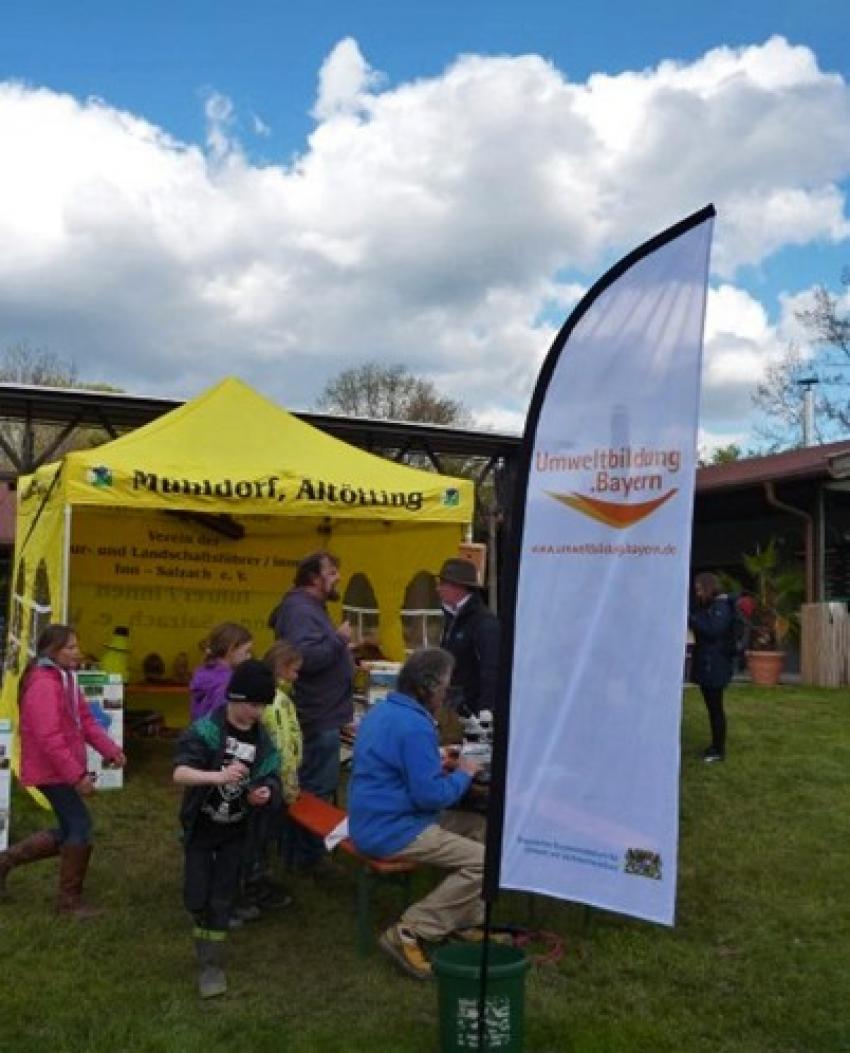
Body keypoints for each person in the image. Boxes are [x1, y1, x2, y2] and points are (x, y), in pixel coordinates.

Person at [348, 647, 485, 980]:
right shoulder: (416, 726)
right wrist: (464, 773)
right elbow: (429, 797)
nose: (447, 694)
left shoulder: (383, 711)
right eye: (445, 686)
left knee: (480, 827)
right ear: (428, 687)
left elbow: (402, 771)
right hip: (393, 829)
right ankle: (410, 930)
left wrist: (437, 765)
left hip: (371, 819)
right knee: (486, 861)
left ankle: (465, 919)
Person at [0, 624, 126, 918]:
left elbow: (86, 721)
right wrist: (77, 776)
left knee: (72, 828)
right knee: (80, 827)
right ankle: (68, 903)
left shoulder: (65, 679)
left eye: (76, 646)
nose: (77, 652)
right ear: (51, 651)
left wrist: (111, 750)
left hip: (60, 769)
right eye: (70, 647)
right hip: (51, 771)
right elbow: (49, 739)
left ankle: (6, 862)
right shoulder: (44, 685)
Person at [173, 658, 281, 998]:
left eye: (263, 706)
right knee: (195, 896)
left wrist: (266, 792)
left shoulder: (263, 741)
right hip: (201, 831)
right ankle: (200, 919)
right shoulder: (207, 730)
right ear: (234, 698)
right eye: (252, 704)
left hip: (237, 832)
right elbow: (179, 773)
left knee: (221, 898)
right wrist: (217, 776)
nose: (257, 712)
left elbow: (271, 776)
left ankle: (211, 966)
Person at [272, 551, 354, 872]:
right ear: (313, 578)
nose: (337, 578)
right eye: (331, 572)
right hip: (317, 716)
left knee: (315, 785)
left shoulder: (311, 609)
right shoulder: (300, 610)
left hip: (325, 713)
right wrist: (339, 641)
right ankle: (305, 859)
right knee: (314, 790)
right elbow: (304, 658)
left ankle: (304, 855)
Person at [436, 557, 500, 716]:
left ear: (459, 586)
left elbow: (491, 668)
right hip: (454, 708)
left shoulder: (484, 622)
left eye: (443, 583)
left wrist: (486, 708)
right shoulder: (452, 618)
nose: (438, 589)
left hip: (472, 711)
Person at [689, 572, 734, 763]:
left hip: (715, 665)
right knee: (712, 708)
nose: (698, 593)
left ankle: (718, 749)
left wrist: (691, 619)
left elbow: (713, 630)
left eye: (699, 589)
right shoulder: (711, 607)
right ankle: (715, 745)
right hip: (710, 664)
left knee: (715, 708)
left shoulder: (721, 607)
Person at [189, 622, 253, 723]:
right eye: (247, 651)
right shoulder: (228, 683)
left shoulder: (204, 673)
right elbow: (224, 722)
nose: (249, 656)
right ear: (231, 650)